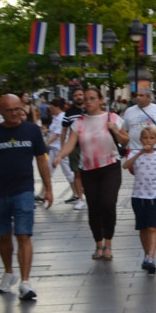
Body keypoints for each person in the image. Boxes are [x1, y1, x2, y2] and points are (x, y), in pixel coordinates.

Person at [0, 93, 50, 301]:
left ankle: (25, 281)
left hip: (23, 190)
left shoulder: (32, 131)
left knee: (24, 235)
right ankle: (9, 272)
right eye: (10, 110)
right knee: (4, 235)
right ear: (0, 112)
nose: (16, 113)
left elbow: (42, 160)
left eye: (19, 109)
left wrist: (48, 188)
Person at [56, 91, 129, 260]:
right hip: (88, 170)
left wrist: (115, 131)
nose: (88, 102)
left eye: (92, 99)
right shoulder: (79, 123)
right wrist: (60, 155)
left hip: (110, 167)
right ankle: (98, 243)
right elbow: (70, 144)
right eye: (86, 99)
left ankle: (108, 243)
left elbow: (125, 140)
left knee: (108, 204)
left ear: (100, 100)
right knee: (94, 207)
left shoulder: (112, 118)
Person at [121, 125, 156, 274]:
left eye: (151, 138)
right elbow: (125, 166)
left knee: (152, 227)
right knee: (143, 228)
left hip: (154, 196)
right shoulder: (135, 155)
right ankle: (146, 254)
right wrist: (139, 153)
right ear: (141, 139)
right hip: (138, 196)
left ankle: (151, 257)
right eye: (145, 138)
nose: (148, 140)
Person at [121, 87, 156, 158]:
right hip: (135, 149)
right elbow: (124, 130)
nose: (138, 97)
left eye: (141, 95)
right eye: (137, 95)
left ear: (149, 98)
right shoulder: (129, 111)